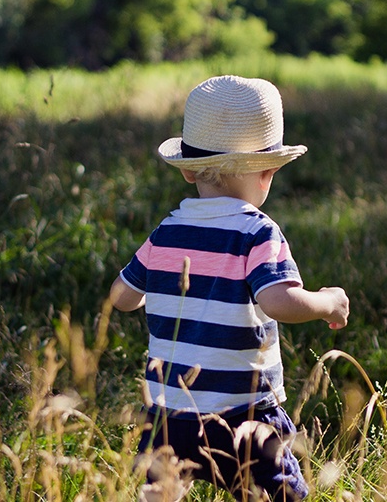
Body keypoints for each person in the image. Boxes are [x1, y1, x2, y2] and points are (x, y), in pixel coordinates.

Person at [107, 75, 350, 501]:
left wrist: (159, 288)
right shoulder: (256, 233)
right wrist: (326, 302)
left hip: (168, 416)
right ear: (267, 172)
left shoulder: (165, 232)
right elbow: (277, 300)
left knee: (160, 494)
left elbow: (121, 298)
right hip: (243, 418)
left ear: (187, 171)